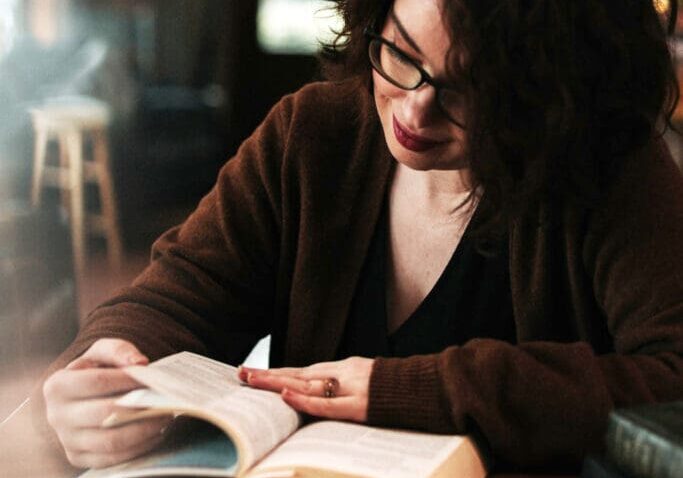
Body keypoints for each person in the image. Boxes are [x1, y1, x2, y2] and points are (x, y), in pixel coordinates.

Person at [38, 0, 683, 474]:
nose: (413, 111)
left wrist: (418, 390)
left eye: (469, 90)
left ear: (552, 94)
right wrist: (106, 364)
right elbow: (175, 296)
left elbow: (673, 379)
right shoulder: (312, 138)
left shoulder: (609, 170)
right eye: (402, 54)